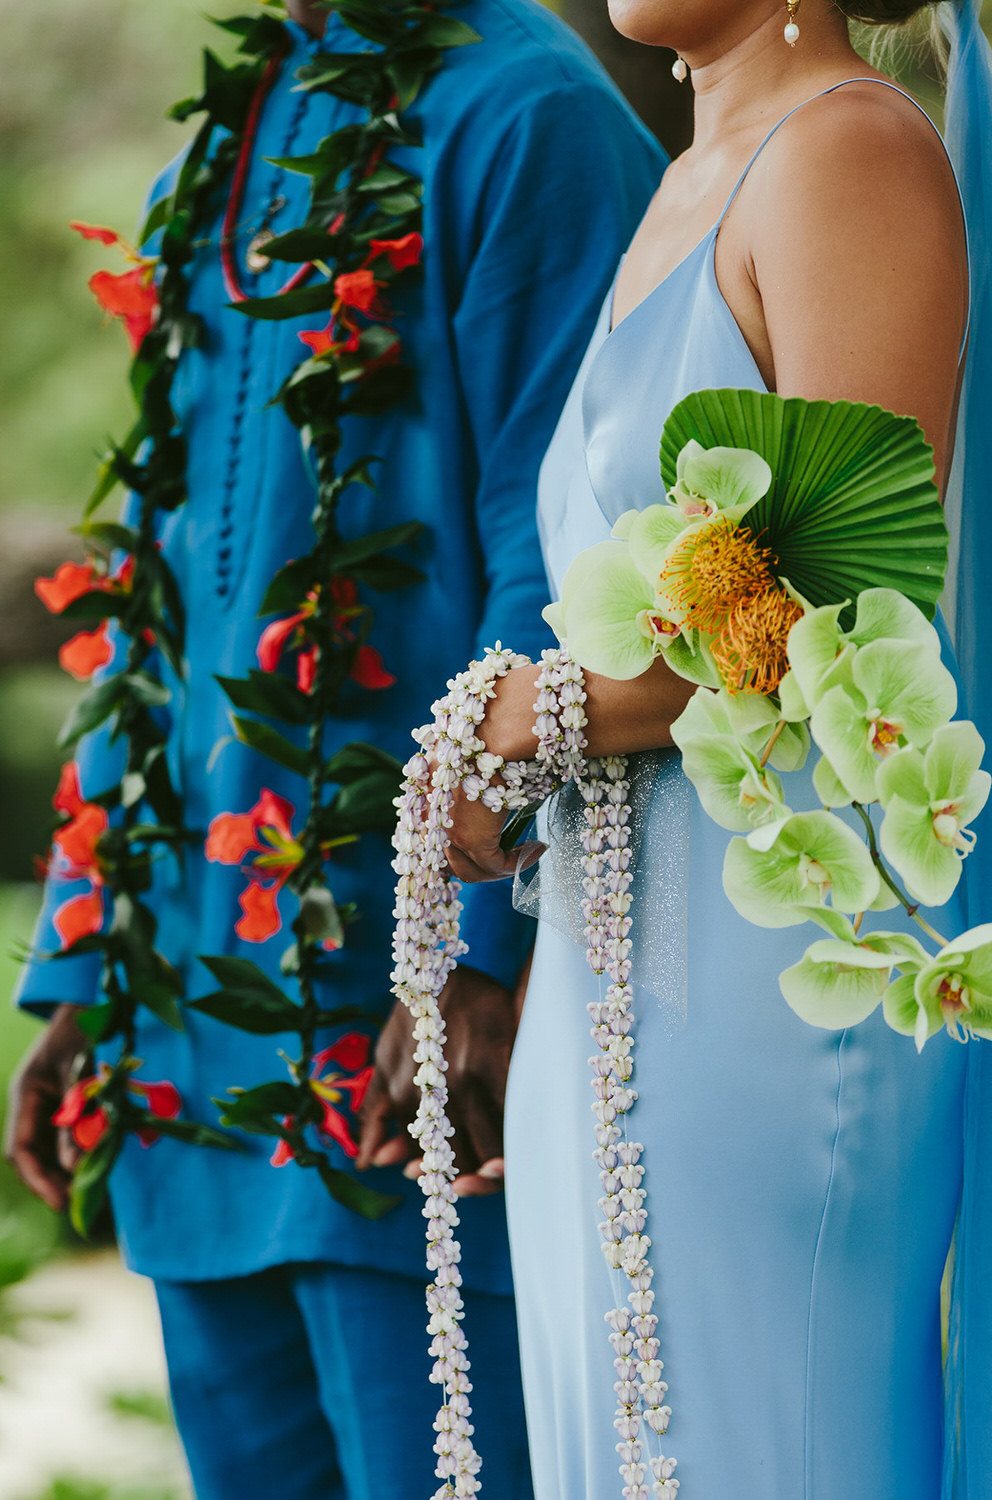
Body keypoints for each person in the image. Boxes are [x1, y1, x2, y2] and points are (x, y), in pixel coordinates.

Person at [4, 2, 665, 1496]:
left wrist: (481, 953)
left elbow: (559, 567)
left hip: (410, 1036)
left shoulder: (531, 115)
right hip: (185, 1035)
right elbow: (152, 583)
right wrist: (85, 956)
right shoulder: (234, 128)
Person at [439, 0, 992, 1494]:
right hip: (612, 968)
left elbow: (839, 580)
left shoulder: (846, 151)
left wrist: (525, 723)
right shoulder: (692, 177)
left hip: (773, 968)